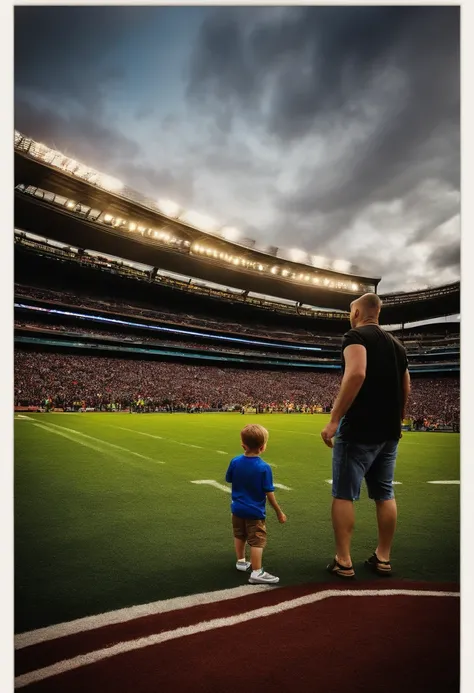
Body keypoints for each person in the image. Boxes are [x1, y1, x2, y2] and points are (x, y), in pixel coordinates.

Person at [321, 293, 410, 579]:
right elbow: (406, 386)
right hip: (389, 431)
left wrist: (334, 419)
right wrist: (399, 418)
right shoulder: (398, 345)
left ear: (357, 312)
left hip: (360, 428)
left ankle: (343, 560)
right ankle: (383, 557)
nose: (350, 316)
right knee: (385, 494)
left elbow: (356, 373)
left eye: (351, 312)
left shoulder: (355, 336)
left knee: (344, 493)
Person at [225, 424, 287, 584]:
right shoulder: (264, 468)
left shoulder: (235, 461)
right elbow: (269, 493)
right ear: (263, 447)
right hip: (254, 511)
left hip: (237, 509)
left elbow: (229, 478)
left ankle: (240, 561)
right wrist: (279, 512)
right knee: (257, 540)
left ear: (243, 445)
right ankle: (257, 572)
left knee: (239, 534)